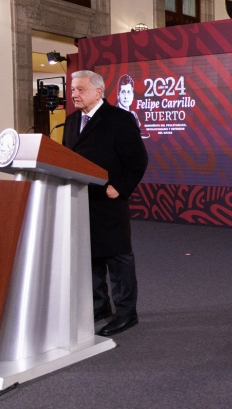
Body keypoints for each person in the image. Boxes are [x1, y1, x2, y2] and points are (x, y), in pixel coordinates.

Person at [63, 70, 149, 337]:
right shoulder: (71, 120)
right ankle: (99, 308)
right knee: (89, 256)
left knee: (117, 256)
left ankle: (126, 312)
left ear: (98, 91)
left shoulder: (119, 119)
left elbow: (138, 161)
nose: (74, 94)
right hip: (79, 198)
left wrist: (120, 187)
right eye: (72, 89)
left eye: (80, 89)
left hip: (109, 200)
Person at [116, 74, 150, 138]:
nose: (126, 97)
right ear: (118, 95)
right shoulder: (113, 116)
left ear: (132, 95)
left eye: (128, 92)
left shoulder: (133, 115)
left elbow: (143, 135)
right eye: (123, 92)